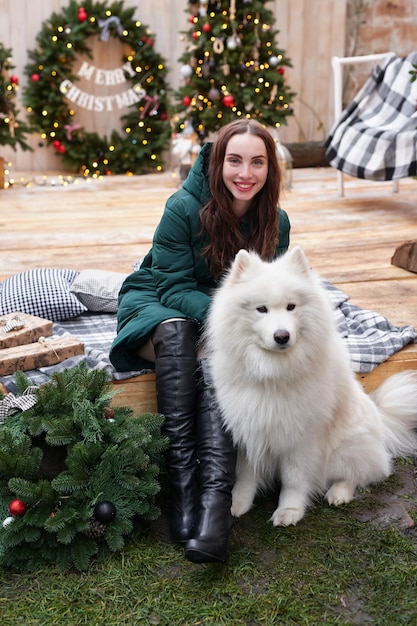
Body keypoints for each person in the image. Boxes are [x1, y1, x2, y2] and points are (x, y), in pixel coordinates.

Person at [109, 118, 291, 563]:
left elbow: (269, 289)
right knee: (178, 332)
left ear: (270, 169)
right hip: (159, 298)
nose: (244, 173)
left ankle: (213, 506)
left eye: (257, 162)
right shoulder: (183, 207)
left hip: (218, 313)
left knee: (213, 353)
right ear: (218, 162)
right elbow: (170, 286)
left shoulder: (276, 221)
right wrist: (225, 319)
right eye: (234, 160)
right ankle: (183, 492)